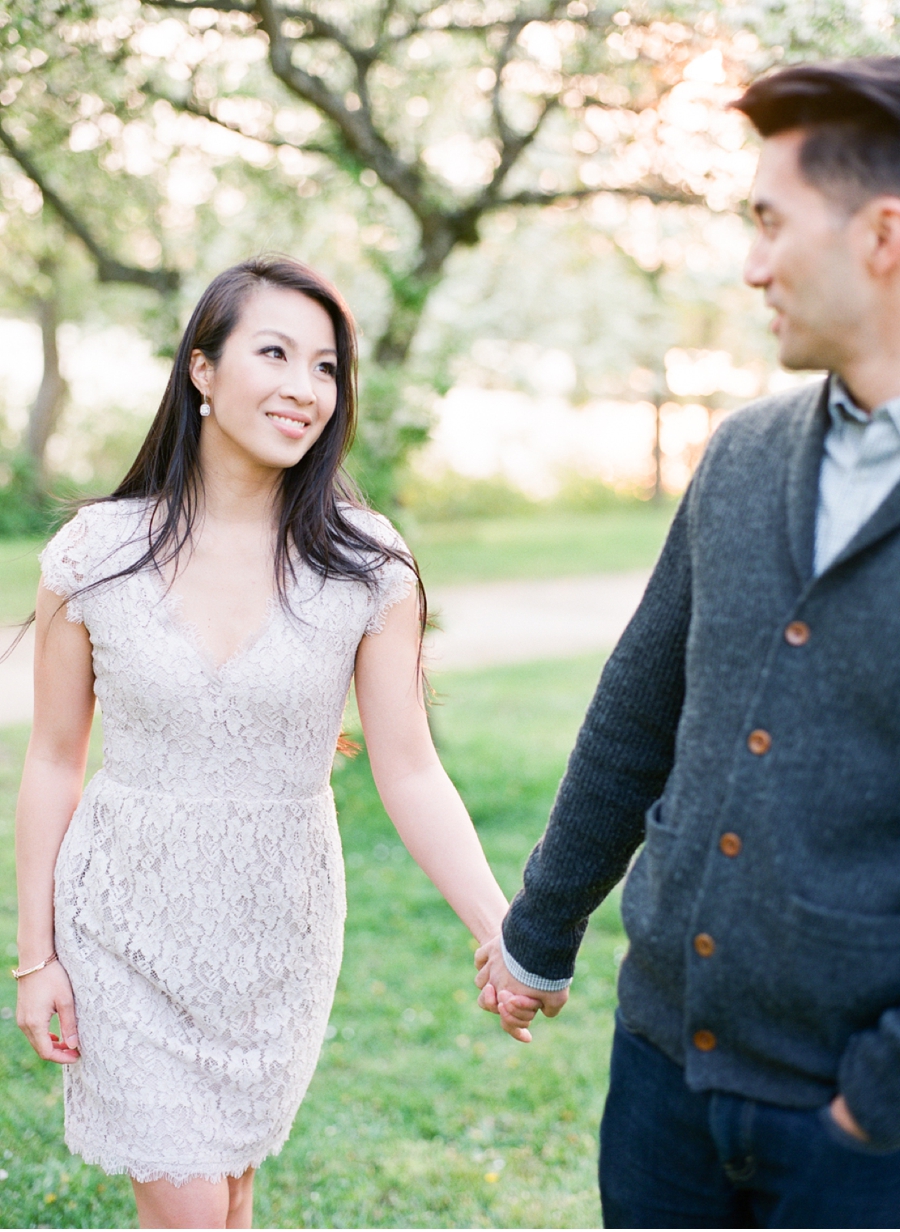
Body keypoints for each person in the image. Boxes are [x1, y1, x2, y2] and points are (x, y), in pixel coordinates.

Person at [475, 57, 900, 1228]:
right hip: (661, 1075)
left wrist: (877, 1102)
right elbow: (638, 708)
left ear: (882, 234)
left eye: (771, 223)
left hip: (860, 1135)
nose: (753, 264)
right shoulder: (744, 454)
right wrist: (540, 926)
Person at [14, 255, 510, 1229]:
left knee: (231, 1192)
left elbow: (410, 768)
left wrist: (499, 925)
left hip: (279, 928)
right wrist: (37, 958)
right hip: (124, 922)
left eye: (325, 365)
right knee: (191, 1206)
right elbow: (51, 760)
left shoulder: (369, 568)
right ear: (203, 368)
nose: (303, 385)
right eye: (274, 351)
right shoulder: (93, 554)